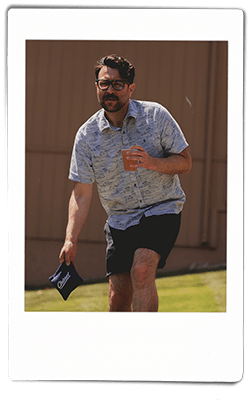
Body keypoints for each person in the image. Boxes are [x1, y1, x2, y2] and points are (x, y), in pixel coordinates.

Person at [59, 54, 192, 312]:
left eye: (118, 84)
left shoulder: (156, 116)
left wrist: (152, 162)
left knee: (141, 271)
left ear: (131, 88)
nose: (110, 90)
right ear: (96, 87)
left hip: (161, 209)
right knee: (118, 296)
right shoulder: (86, 136)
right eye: (104, 84)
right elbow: (81, 193)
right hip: (120, 219)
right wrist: (70, 239)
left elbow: (185, 162)